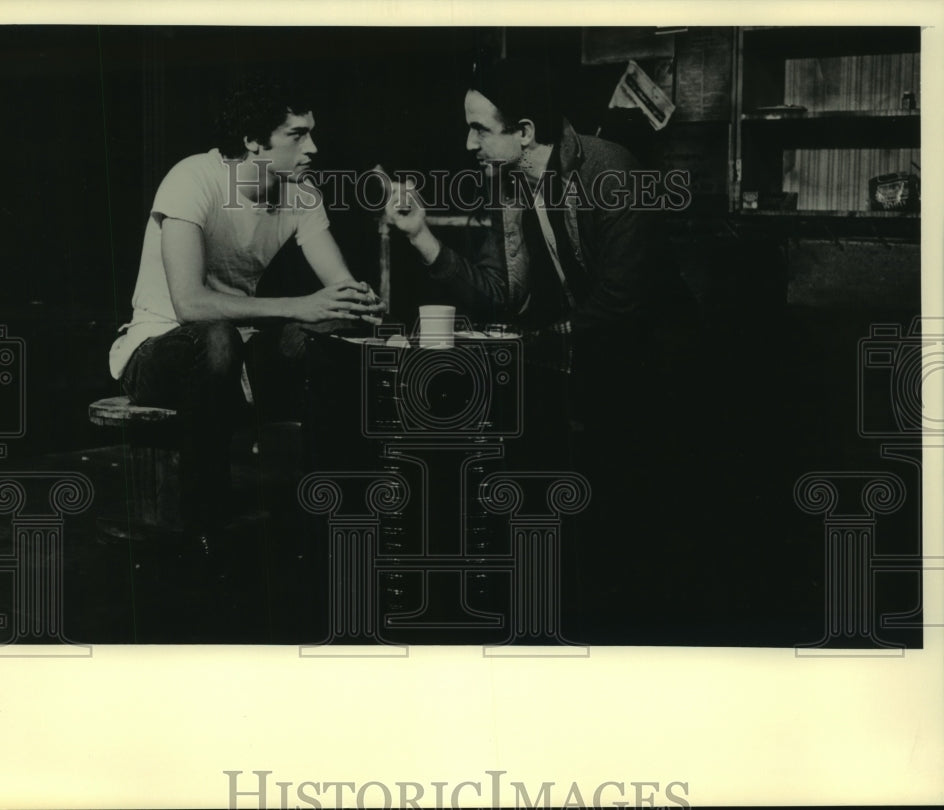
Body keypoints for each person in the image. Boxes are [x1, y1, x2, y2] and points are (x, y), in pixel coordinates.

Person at [382, 57, 698, 635]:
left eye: (480, 128)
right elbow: (499, 292)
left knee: (636, 543)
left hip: (660, 372)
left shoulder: (610, 171)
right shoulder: (514, 187)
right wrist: (421, 236)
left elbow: (625, 305)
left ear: (524, 132)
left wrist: (532, 342)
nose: (469, 143)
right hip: (595, 366)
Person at [108, 77, 384, 550]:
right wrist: (301, 306)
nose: (313, 147)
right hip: (157, 349)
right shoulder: (193, 179)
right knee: (218, 338)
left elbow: (338, 288)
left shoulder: (302, 195)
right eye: (297, 135)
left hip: (237, 357)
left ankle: (331, 515)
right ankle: (204, 523)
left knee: (320, 340)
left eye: (311, 132)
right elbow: (189, 305)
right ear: (254, 142)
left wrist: (358, 303)